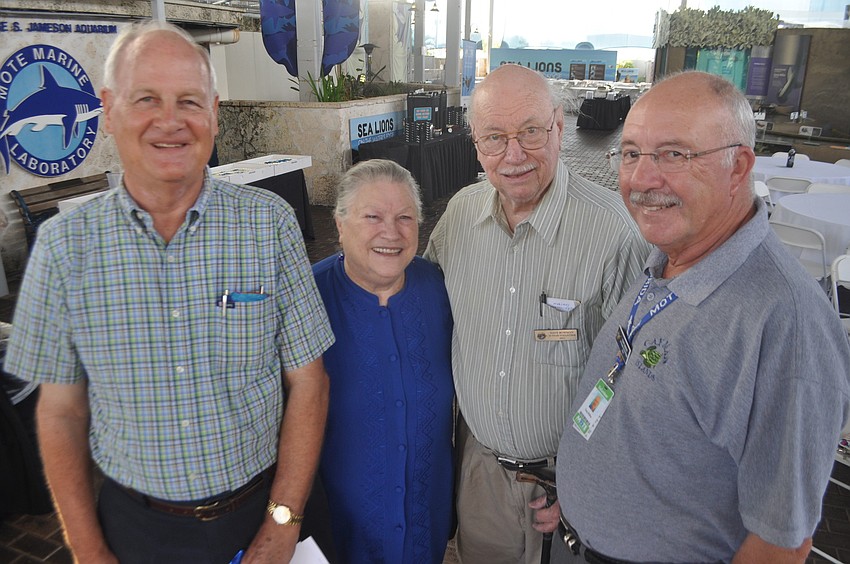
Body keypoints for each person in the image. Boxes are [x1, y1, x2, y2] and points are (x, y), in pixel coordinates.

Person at [4, 21, 335, 564]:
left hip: (263, 514)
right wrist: (87, 550)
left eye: (189, 100)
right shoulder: (63, 249)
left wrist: (283, 522)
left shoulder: (269, 225)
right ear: (108, 111)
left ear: (214, 113)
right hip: (137, 533)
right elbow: (59, 413)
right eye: (146, 99)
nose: (170, 121)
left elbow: (310, 384)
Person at [551, 71, 850, 563]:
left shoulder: (786, 326)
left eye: (675, 154)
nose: (643, 179)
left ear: (739, 168)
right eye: (631, 153)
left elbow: (780, 543)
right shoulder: (668, 256)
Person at [423, 64, 650, 563]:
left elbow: (637, 378)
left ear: (559, 126)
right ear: (476, 146)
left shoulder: (613, 233)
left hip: (569, 482)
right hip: (481, 475)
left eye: (530, 131)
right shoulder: (459, 217)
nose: (514, 155)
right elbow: (422, 312)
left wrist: (589, 479)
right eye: (494, 138)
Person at [312, 159, 454, 563]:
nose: (391, 232)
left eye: (405, 217)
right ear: (340, 225)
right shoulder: (307, 297)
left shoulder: (440, 289)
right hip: (336, 537)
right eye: (372, 216)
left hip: (424, 531)